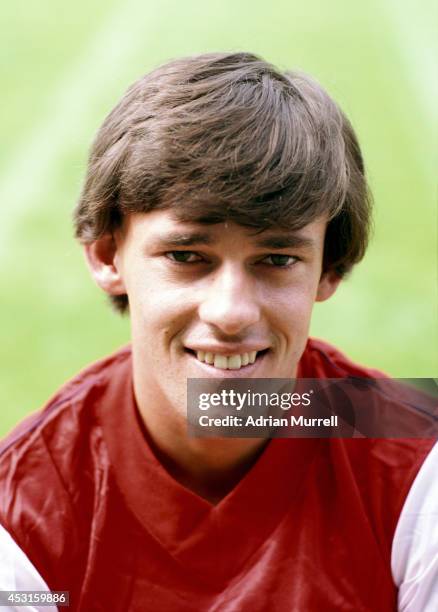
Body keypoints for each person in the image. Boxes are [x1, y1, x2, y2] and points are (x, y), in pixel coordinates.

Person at [0, 52, 436, 611]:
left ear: (329, 269)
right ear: (109, 255)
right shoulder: (23, 511)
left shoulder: (419, 460)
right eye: (187, 255)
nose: (231, 312)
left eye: (276, 259)